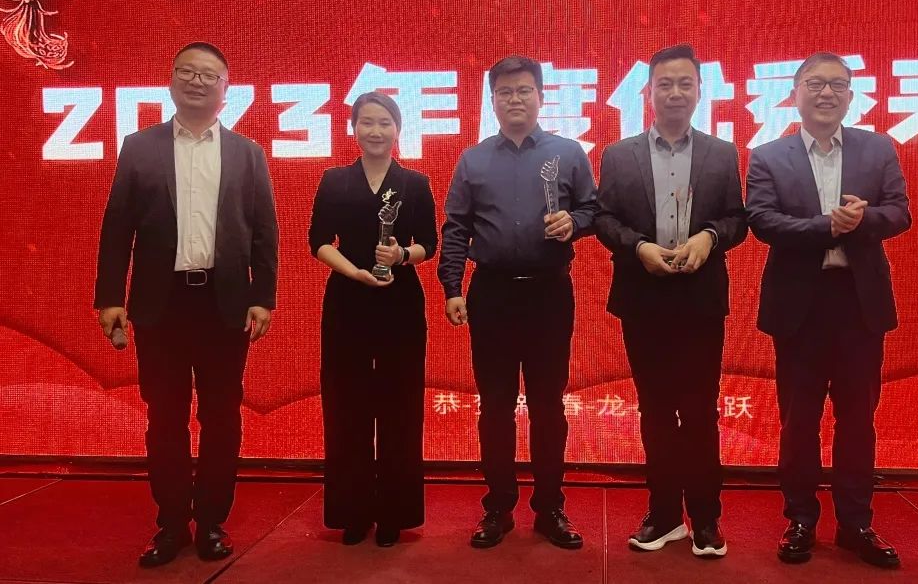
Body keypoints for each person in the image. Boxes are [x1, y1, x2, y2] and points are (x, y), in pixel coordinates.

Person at [94, 42, 278, 567]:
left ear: (226, 88)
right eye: (187, 72)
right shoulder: (139, 146)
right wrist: (110, 297)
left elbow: (264, 232)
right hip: (160, 305)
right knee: (165, 416)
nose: (197, 82)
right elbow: (117, 227)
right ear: (171, 80)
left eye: (209, 75)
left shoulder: (247, 152)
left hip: (225, 303)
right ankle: (171, 522)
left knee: (222, 415)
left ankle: (213, 521)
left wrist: (263, 297)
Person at [745, 52, 911, 569]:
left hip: (859, 303)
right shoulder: (769, 156)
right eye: (815, 84)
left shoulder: (876, 148)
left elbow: (899, 212)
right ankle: (800, 519)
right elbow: (762, 221)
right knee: (799, 420)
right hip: (801, 305)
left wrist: (862, 221)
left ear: (850, 96)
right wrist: (827, 227)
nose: (826, 93)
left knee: (858, 419)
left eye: (837, 85)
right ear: (795, 94)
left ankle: (856, 523)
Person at [438, 55, 599, 549]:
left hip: (549, 293)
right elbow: (456, 228)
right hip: (492, 294)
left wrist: (575, 222)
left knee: (549, 405)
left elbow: (595, 209)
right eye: (505, 92)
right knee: (495, 407)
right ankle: (498, 507)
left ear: (541, 96)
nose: (515, 99)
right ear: (492, 101)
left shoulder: (568, 153)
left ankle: (550, 507)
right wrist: (452, 287)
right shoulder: (473, 160)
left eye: (524, 90)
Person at [595, 44, 747, 558]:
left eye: (685, 83)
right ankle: (663, 515)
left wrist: (710, 237)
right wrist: (638, 247)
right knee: (656, 410)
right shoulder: (619, 155)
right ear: (650, 92)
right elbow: (604, 219)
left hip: (701, 300)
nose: (675, 92)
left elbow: (737, 219)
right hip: (644, 298)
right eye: (665, 84)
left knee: (700, 411)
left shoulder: (721, 153)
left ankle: (705, 518)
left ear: (700, 91)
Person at [308, 91, 437, 548]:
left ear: (398, 129)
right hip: (348, 299)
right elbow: (318, 241)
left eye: (385, 122)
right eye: (366, 122)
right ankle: (353, 511)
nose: (376, 130)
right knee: (347, 406)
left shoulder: (415, 183)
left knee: (401, 406)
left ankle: (394, 514)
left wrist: (402, 255)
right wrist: (354, 272)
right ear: (353, 128)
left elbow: (430, 243)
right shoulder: (334, 180)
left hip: (400, 303)